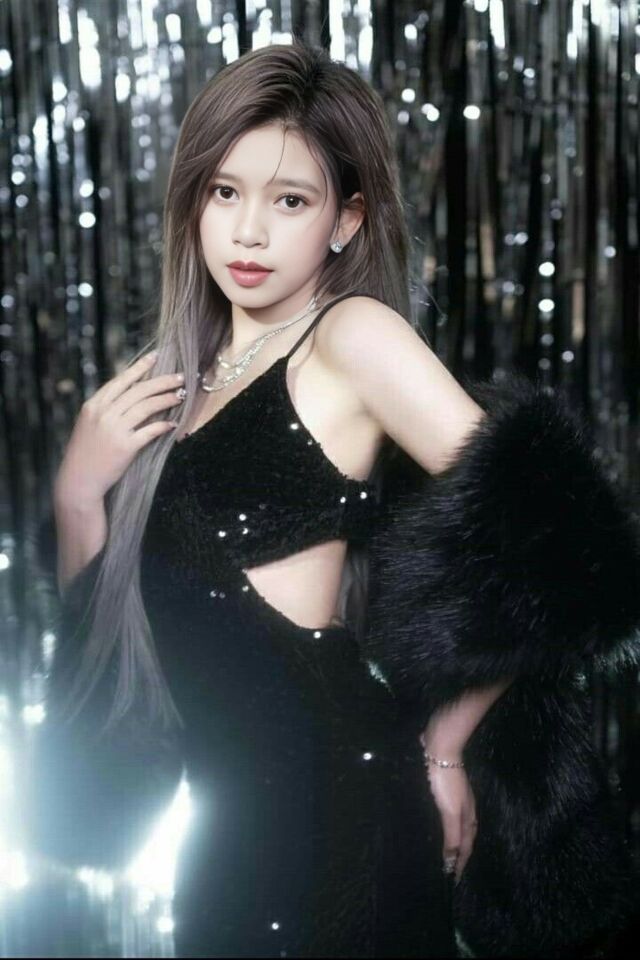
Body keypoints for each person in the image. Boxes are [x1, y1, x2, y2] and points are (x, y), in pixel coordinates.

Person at [30, 39, 640, 959]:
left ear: (346, 219)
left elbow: (559, 547)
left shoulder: (351, 337)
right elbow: (116, 660)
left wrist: (444, 748)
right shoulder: (167, 384)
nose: (248, 232)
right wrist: (80, 495)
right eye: (224, 192)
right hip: (224, 831)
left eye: (290, 201)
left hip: (342, 803)